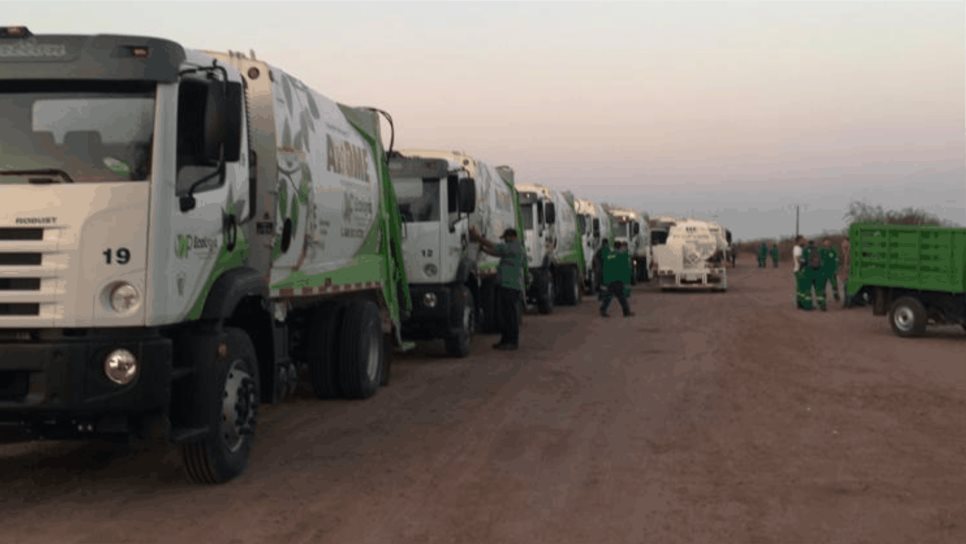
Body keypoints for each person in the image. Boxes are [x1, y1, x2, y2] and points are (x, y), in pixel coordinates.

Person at [469, 226, 524, 350]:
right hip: (506, 285)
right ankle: (505, 340)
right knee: (505, 315)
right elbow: (497, 252)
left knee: (510, 316)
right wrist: (483, 249)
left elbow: (495, 247)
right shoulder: (511, 248)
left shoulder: (514, 247)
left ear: (511, 236)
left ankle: (512, 341)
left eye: (506, 238)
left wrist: (478, 238)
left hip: (510, 286)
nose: (505, 240)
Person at [600, 241, 634, 317]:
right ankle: (626, 312)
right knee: (620, 296)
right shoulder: (621, 256)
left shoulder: (611, 255)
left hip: (611, 278)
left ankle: (603, 309)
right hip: (618, 279)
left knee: (610, 296)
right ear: (620, 247)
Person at [804, 239, 827, 311]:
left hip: (808, 272)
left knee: (807, 289)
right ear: (814, 244)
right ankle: (822, 304)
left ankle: (808, 306)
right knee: (819, 289)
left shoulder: (805, 250)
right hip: (818, 272)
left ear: (808, 244)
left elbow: (803, 261)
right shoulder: (818, 251)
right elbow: (822, 261)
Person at [820, 237, 840, 302]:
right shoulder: (821, 251)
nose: (827, 243)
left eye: (828, 242)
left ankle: (836, 295)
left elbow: (836, 260)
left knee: (834, 284)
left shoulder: (833, 251)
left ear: (830, 243)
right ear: (823, 243)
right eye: (825, 242)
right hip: (823, 271)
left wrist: (836, 269)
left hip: (832, 271)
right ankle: (823, 296)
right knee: (822, 284)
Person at [793, 236, 810, 310]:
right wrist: (807, 263)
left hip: (798, 270)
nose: (804, 241)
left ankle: (800, 303)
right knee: (803, 288)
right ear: (798, 241)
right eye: (802, 240)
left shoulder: (799, 248)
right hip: (800, 270)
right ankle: (804, 305)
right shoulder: (797, 248)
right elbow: (798, 259)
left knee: (800, 288)